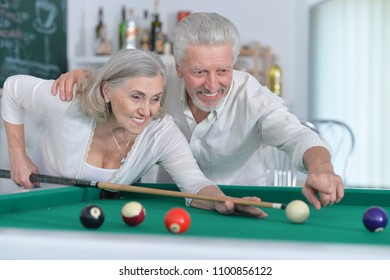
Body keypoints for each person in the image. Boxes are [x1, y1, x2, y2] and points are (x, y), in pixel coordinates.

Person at [52, 13, 344, 210]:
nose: (212, 85)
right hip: (166, 203)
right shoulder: (158, 77)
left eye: (223, 70)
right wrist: (83, 77)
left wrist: (321, 168)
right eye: (200, 71)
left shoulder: (252, 98)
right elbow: (116, 80)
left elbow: (299, 136)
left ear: (235, 65)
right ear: (178, 68)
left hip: (242, 203)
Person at [1, 48, 266, 218]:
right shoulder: (70, 101)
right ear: (107, 91)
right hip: (33, 208)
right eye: (136, 97)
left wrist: (223, 201)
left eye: (155, 99)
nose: (146, 111)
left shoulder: (161, 133)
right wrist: (18, 156)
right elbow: (12, 89)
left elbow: (195, 184)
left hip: (95, 221)